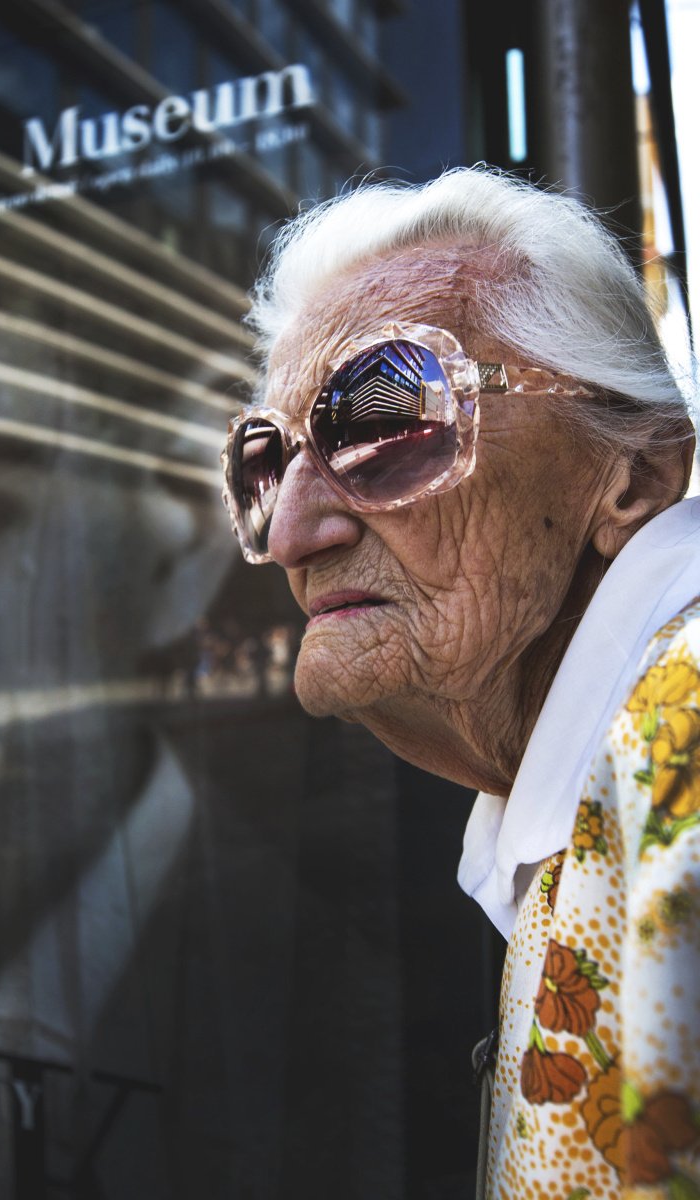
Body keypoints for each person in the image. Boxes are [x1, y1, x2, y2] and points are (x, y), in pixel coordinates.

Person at [222, 167, 700, 1198]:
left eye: (384, 419)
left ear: (631, 475)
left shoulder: (684, 744)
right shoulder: (592, 775)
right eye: (265, 466)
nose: (293, 536)